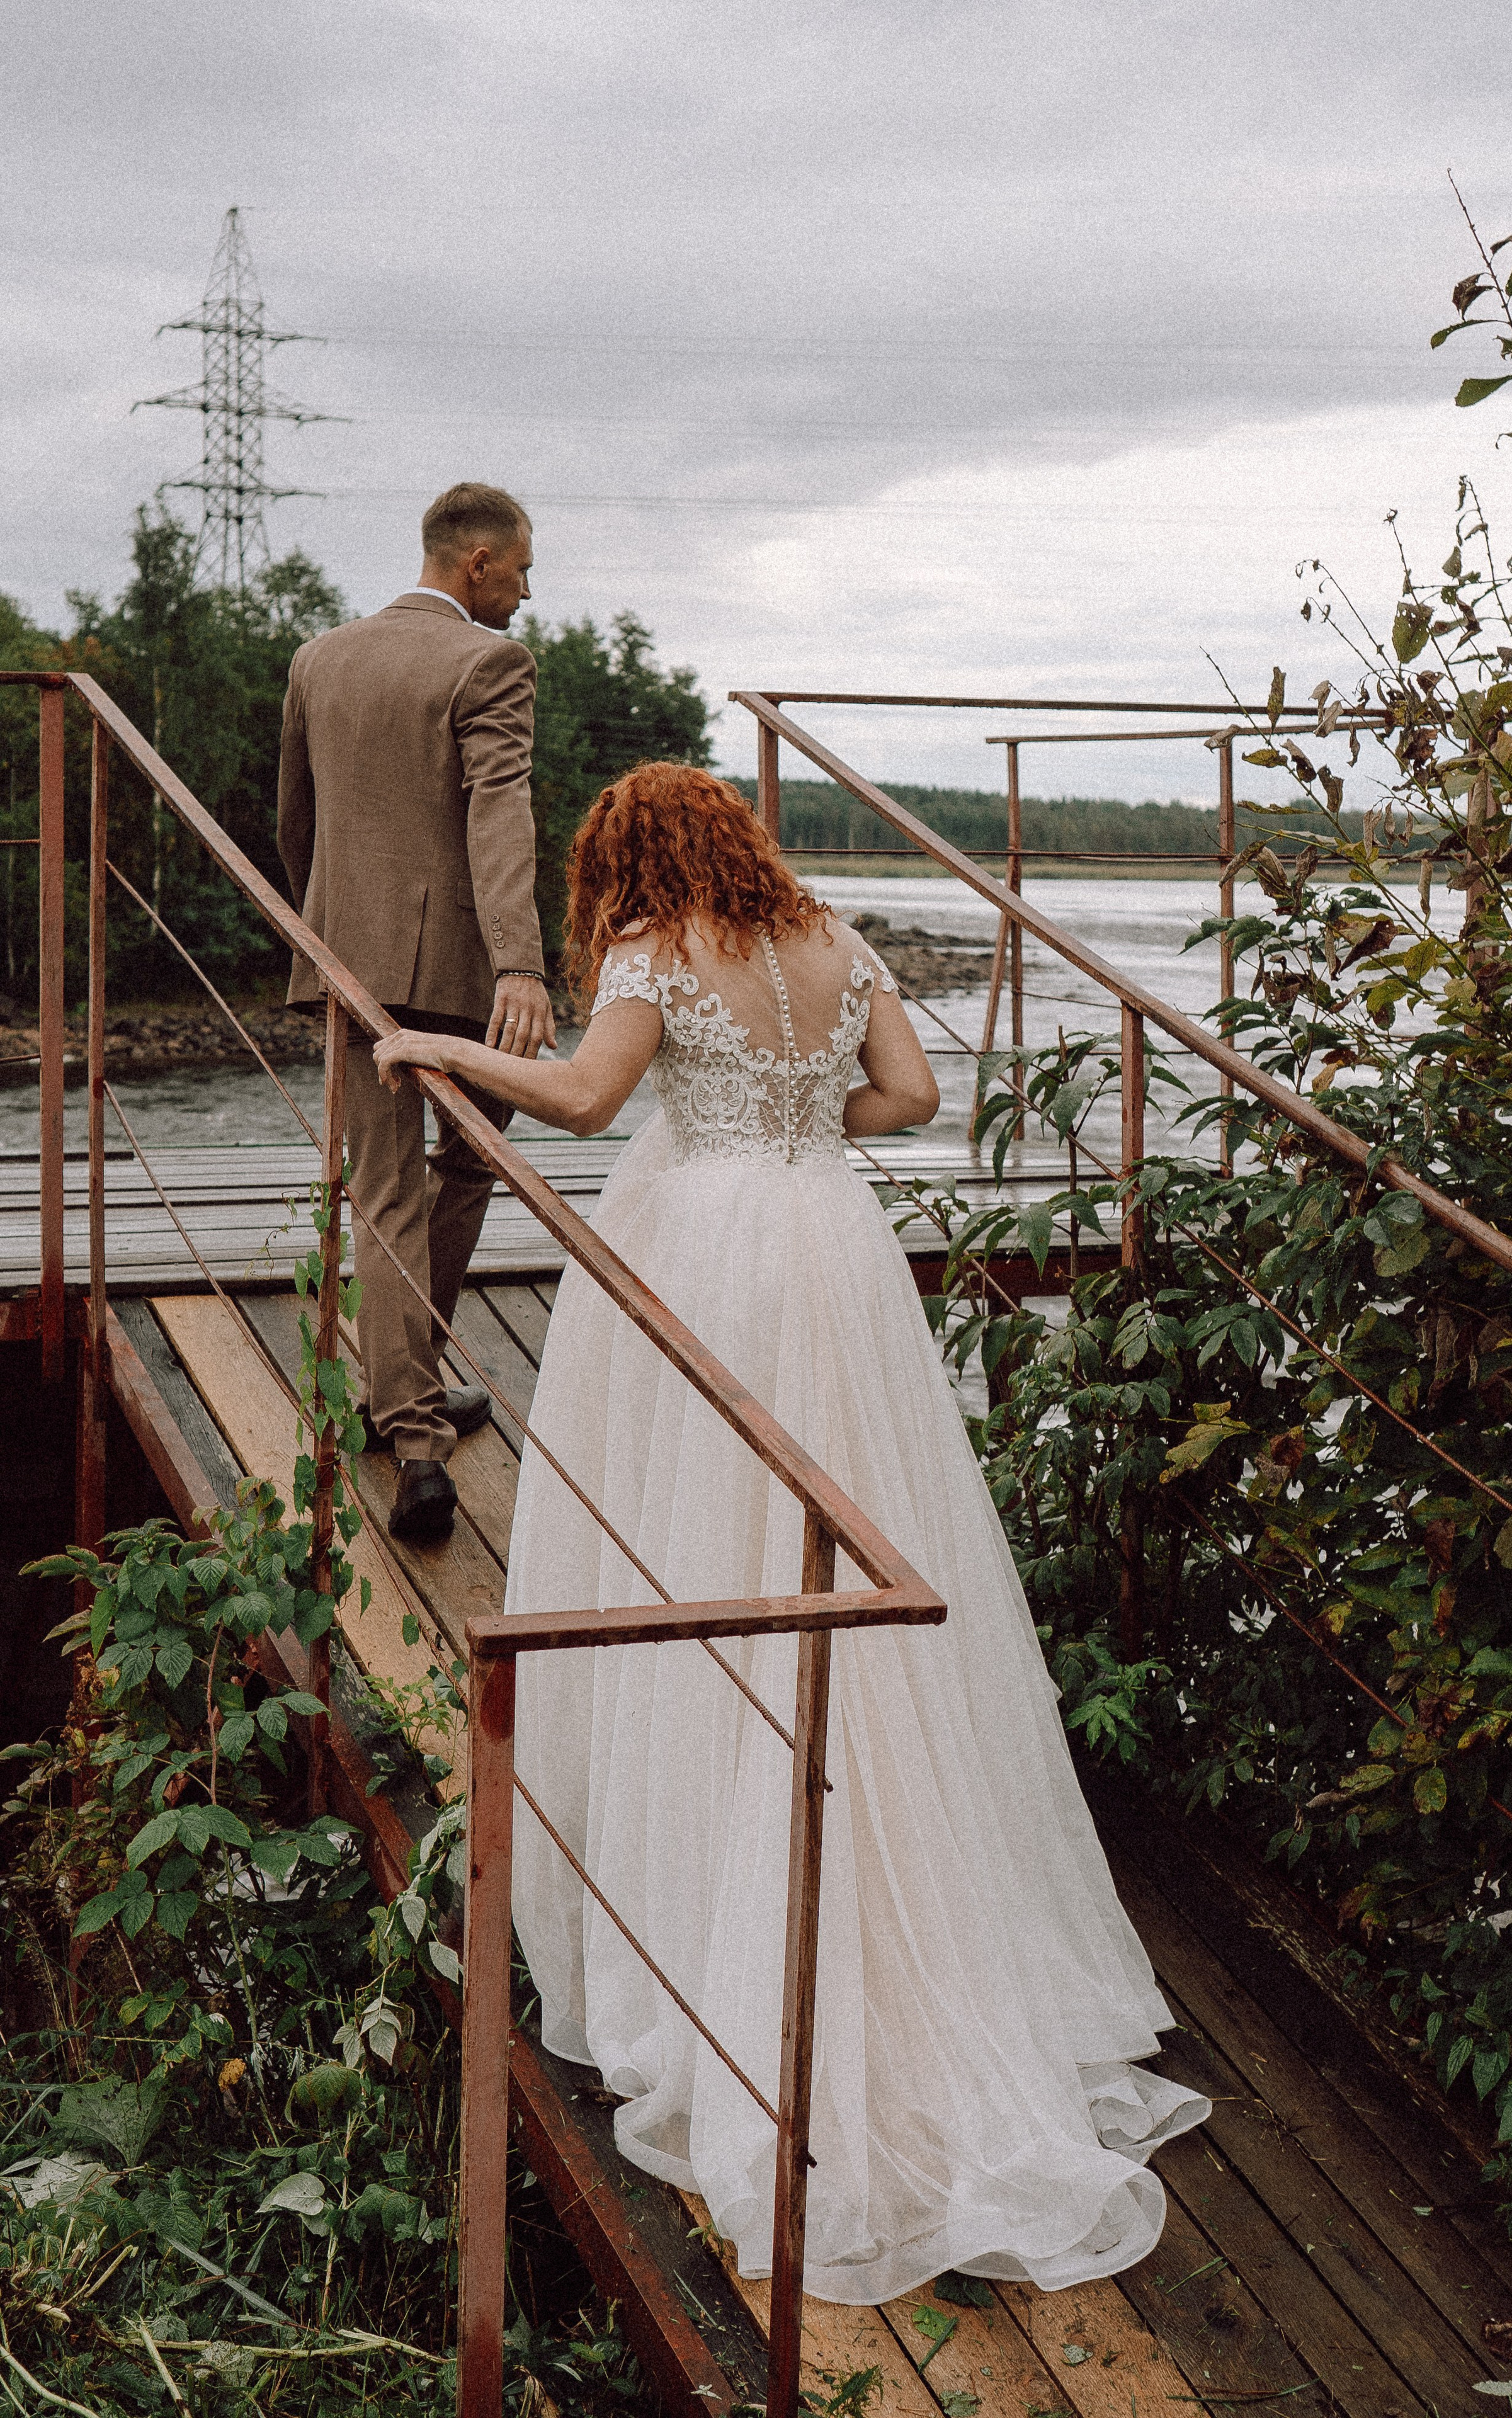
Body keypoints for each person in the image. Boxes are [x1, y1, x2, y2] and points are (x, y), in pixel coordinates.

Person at [373, 762, 1207, 2303]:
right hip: (830, 1241)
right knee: (851, 1521)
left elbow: (582, 1096)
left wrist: (429, 1044)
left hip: (704, 1246)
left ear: (625, 857)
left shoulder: (648, 946)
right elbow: (909, 1099)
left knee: (695, 1539)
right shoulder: (835, 936)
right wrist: (797, 1122)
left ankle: (703, 1884)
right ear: (741, 839)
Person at [278, 482, 555, 1542]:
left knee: (387, 1190)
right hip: (459, 971)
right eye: (523, 569)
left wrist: (323, 935)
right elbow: (501, 812)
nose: (529, 592)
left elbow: (293, 817)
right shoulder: (490, 662)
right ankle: (416, 1425)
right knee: (474, 1154)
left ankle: (408, 1405)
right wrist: (519, 967)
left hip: (343, 960)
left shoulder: (321, 656)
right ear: (476, 561)